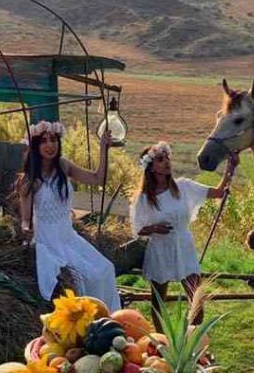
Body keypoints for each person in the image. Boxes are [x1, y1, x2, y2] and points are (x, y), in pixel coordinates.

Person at [18, 120, 121, 312]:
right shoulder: (30, 180)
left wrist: (103, 149)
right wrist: (25, 229)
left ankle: (108, 316)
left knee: (106, 269)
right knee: (84, 278)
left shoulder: (63, 166)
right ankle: (89, 320)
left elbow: (98, 178)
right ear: (35, 147)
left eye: (53, 140)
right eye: (44, 141)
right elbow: (25, 218)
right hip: (48, 242)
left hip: (68, 237)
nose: (50, 145)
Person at [130, 141, 236, 324]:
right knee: (158, 304)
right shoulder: (144, 198)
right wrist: (154, 228)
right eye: (160, 159)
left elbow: (218, 193)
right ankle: (162, 339)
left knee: (197, 301)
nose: (167, 162)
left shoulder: (184, 187)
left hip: (184, 246)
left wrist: (230, 168)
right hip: (160, 251)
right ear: (151, 167)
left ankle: (192, 337)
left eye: (167, 158)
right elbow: (138, 229)